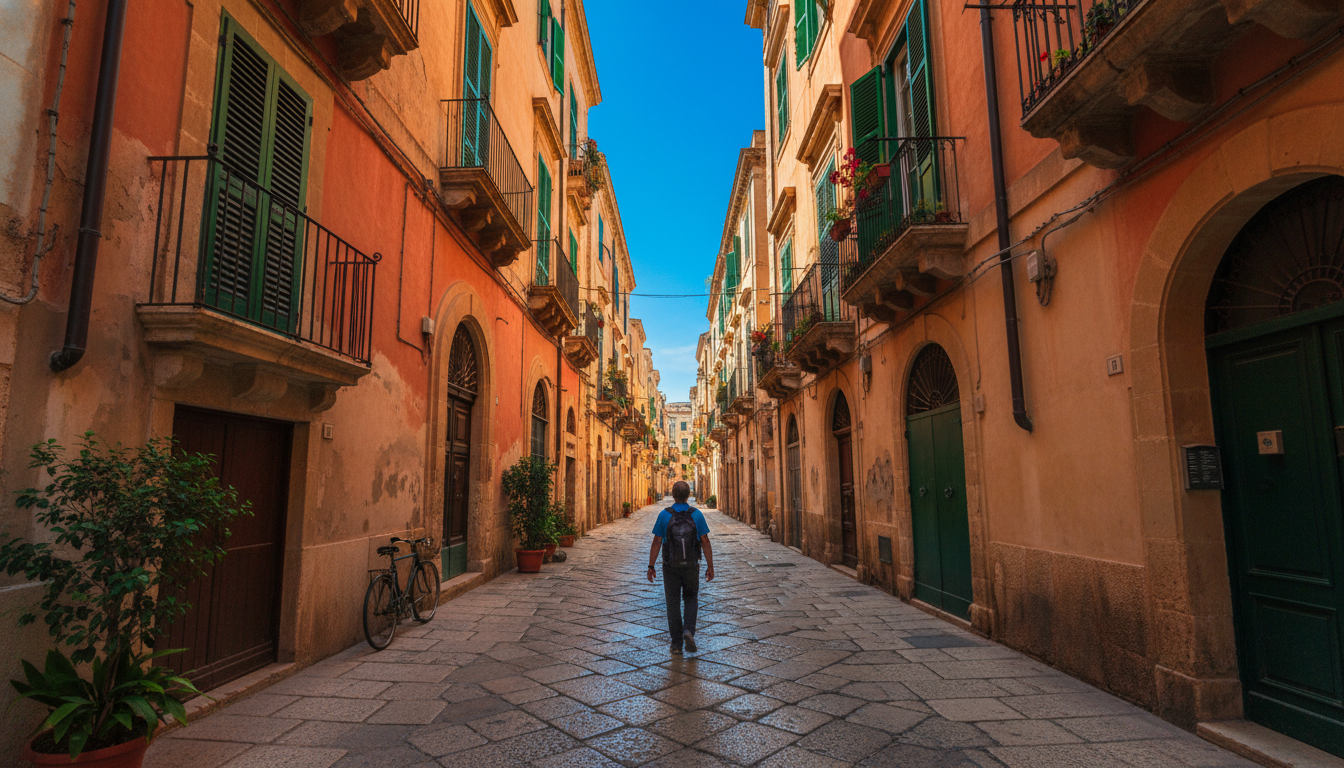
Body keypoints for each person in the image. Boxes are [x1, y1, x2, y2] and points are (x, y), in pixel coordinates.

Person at [647, 480, 713, 655]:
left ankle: (676, 645)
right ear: (688, 496)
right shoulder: (696, 514)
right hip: (692, 565)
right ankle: (688, 631)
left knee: (672, 603)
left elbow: (656, 542)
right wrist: (710, 566)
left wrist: (651, 565)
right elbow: (705, 540)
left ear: (673, 495)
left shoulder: (664, 515)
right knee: (691, 598)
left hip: (671, 566)